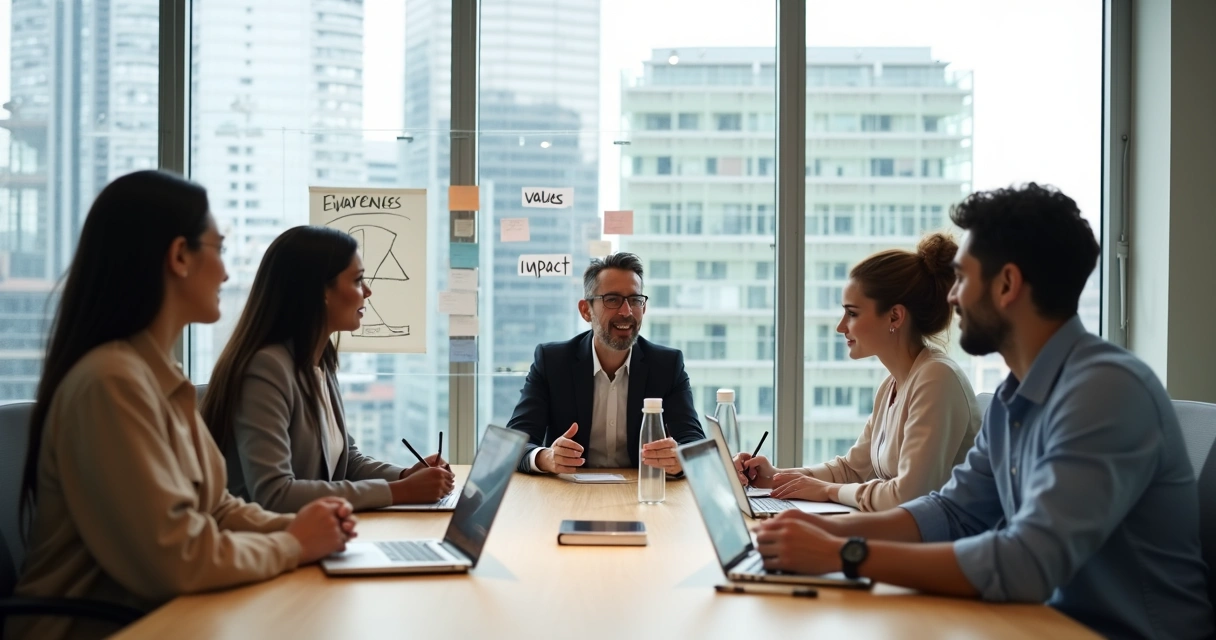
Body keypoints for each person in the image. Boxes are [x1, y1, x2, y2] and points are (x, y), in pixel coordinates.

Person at [752, 183, 1213, 639]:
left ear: (1007, 284)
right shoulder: (1015, 395)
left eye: (963, 279)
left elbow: (1026, 563)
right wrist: (820, 531)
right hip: (1042, 624)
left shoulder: (1105, 392)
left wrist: (846, 553)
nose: (951, 297)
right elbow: (953, 513)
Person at [8, 171, 355, 640]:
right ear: (179, 256)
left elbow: (218, 509)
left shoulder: (158, 375)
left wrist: (299, 527)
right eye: (219, 249)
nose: (227, 273)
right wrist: (293, 545)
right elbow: (177, 557)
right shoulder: (110, 383)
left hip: (164, 616)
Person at [201, 225, 454, 513]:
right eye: (357, 280)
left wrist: (406, 476)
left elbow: (346, 463)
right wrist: (400, 492)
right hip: (265, 537)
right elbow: (275, 494)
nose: (367, 291)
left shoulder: (319, 362)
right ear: (319, 291)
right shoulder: (266, 368)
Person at [734, 233, 980, 511]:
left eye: (852, 313)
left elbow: (907, 497)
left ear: (895, 316)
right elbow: (851, 470)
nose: (841, 327)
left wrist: (827, 491)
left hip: (939, 536)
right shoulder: (892, 385)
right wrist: (774, 477)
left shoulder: (937, 379)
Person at [507, 252, 705, 475]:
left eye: (635, 300)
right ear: (586, 310)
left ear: (644, 308)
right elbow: (514, 443)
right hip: (569, 491)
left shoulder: (667, 365)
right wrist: (547, 458)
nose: (626, 311)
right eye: (612, 299)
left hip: (641, 490)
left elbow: (694, 443)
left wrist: (679, 459)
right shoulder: (552, 362)